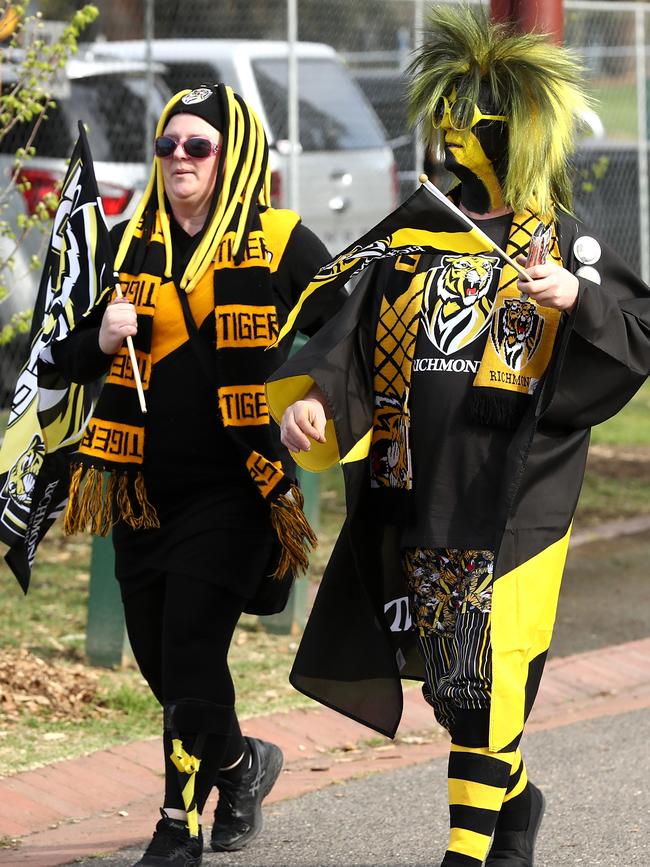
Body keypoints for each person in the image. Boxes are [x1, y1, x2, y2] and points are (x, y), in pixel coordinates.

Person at [268, 7, 650, 867]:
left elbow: (636, 334)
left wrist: (574, 300)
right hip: (420, 494)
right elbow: (340, 331)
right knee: (455, 682)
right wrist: (316, 403)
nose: (460, 141)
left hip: (515, 503)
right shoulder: (406, 234)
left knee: (488, 680)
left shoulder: (558, 242)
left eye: (480, 124)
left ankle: (467, 854)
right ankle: (515, 805)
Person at [51, 83, 341, 867]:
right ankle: (243, 766)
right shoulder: (126, 244)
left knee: (187, 650)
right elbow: (60, 356)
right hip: (141, 488)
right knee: (165, 662)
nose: (179, 158)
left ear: (231, 154)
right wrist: (102, 336)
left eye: (197, 146)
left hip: (240, 487)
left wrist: (311, 396)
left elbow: (344, 328)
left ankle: (176, 826)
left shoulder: (280, 239)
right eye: (167, 145)